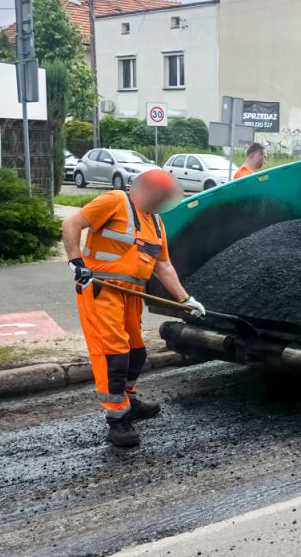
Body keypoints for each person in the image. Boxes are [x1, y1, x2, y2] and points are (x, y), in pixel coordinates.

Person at [62, 169, 205, 448]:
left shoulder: (157, 223)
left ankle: (130, 400)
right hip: (102, 290)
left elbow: (163, 265)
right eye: (162, 195)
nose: (164, 201)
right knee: (114, 355)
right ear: (146, 189)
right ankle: (117, 420)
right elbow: (71, 224)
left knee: (136, 353)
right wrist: (76, 262)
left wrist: (185, 300)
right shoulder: (115, 201)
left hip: (131, 295)